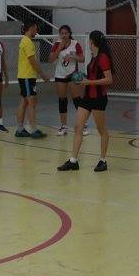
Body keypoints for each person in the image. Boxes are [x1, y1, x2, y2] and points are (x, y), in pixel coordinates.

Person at [57, 31, 113, 172]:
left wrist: (88, 82)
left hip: (99, 98)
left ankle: (102, 160)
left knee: (101, 130)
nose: (88, 43)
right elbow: (93, 76)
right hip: (87, 97)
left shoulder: (103, 57)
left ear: (92, 42)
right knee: (78, 127)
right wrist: (81, 77)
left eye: (89, 41)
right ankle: (73, 161)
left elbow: (109, 79)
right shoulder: (94, 57)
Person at [50, 25, 86, 136]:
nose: (64, 35)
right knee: (62, 100)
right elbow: (51, 59)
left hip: (73, 75)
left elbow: (82, 59)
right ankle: (63, 126)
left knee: (77, 100)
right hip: (60, 75)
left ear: (69, 34)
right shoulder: (57, 44)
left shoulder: (75, 44)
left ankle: (83, 125)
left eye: (66, 33)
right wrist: (59, 48)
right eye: (62, 33)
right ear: (60, 35)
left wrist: (73, 57)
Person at [14, 21, 48, 138]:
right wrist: (42, 74)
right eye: (35, 29)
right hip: (27, 76)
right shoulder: (27, 42)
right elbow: (32, 61)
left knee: (25, 102)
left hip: (26, 76)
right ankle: (33, 130)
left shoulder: (25, 41)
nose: (36, 31)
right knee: (31, 102)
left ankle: (20, 129)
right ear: (31, 28)